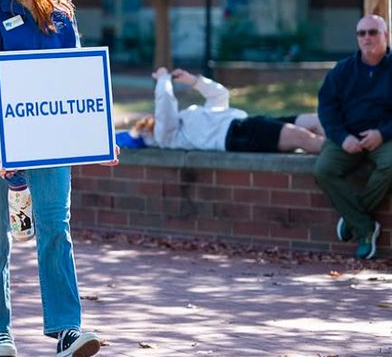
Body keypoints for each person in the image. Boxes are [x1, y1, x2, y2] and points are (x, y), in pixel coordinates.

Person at [0, 0, 105, 357]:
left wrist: (95, 135)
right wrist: (2, 146)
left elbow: (77, 81)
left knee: (55, 230)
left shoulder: (61, 15)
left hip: (50, 141)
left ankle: (66, 328)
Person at [315, 14, 392, 260]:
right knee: (324, 169)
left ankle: (355, 222)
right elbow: (326, 108)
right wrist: (341, 137)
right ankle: (365, 225)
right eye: (362, 33)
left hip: (385, 138)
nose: (367, 37)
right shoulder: (343, 70)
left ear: (386, 36)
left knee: (391, 163)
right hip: (347, 138)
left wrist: (382, 133)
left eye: (373, 32)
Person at [130, 68, 325, 154]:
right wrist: (163, 78)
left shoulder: (187, 120)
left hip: (246, 123)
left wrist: (194, 81)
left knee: (315, 121)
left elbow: (219, 96)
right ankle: (348, 154)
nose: (152, 118)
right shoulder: (165, 137)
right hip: (236, 135)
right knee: (303, 138)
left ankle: (349, 141)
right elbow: (164, 105)